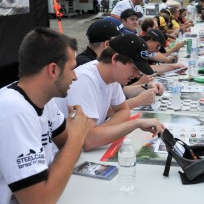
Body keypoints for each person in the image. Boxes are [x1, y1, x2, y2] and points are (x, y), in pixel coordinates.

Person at [0, 28, 90, 203]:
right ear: (53, 70)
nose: (75, 77)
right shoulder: (13, 110)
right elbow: (39, 201)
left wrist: (74, 139)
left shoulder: (44, 100)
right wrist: (78, 136)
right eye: (72, 69)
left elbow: (67, 146)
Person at [55, 34, 165, 151]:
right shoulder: (84, 79)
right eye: (134, 69)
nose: (137, 75)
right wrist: (135, 124)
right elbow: (88, 141)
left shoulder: (113, 76)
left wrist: (100, 131)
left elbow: (124, 111)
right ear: (114, 59)